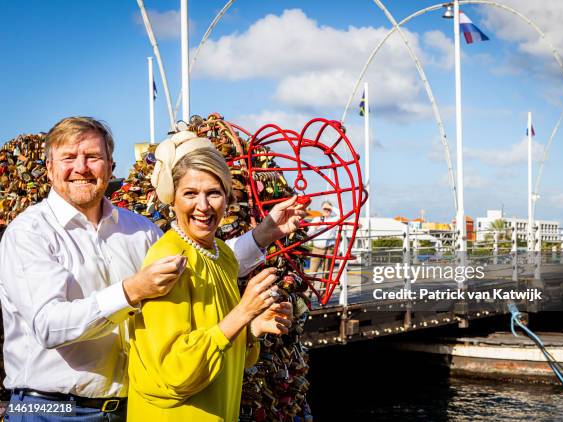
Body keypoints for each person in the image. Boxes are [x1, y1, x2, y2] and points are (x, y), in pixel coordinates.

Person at [0, 117, 305, 421]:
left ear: (110, 166)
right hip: (50, 408)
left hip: (128, 407)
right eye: (69, 157)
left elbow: (198, 262)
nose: (81, 167)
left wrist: (263, 234)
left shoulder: (139, 229)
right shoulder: (29, 233)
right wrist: (131, 291)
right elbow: (48, 326)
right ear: (49, 168)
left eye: (93, 157)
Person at [127, 137, 294, 421]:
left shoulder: (220, 255)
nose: (203, 206)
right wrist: (243, 312)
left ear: (228, 198)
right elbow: (175, 370)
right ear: (172, 197)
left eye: (214, 193)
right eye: (190, 193)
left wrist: (253, 327)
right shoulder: (168, 259)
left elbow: (222, 342)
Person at [308, 201, 339, 278]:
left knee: (326, 274)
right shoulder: (316, 219)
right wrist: (315, 227)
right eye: (325, 208)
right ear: (321, 209)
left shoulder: (334, 219)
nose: (326, 210)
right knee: (312, 273)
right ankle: (310, 290)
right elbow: (308, 233)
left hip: (329, 249)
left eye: (328, 209)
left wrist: (330, 207)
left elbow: (343, 215)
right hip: (316, 249)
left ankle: (324, 290)